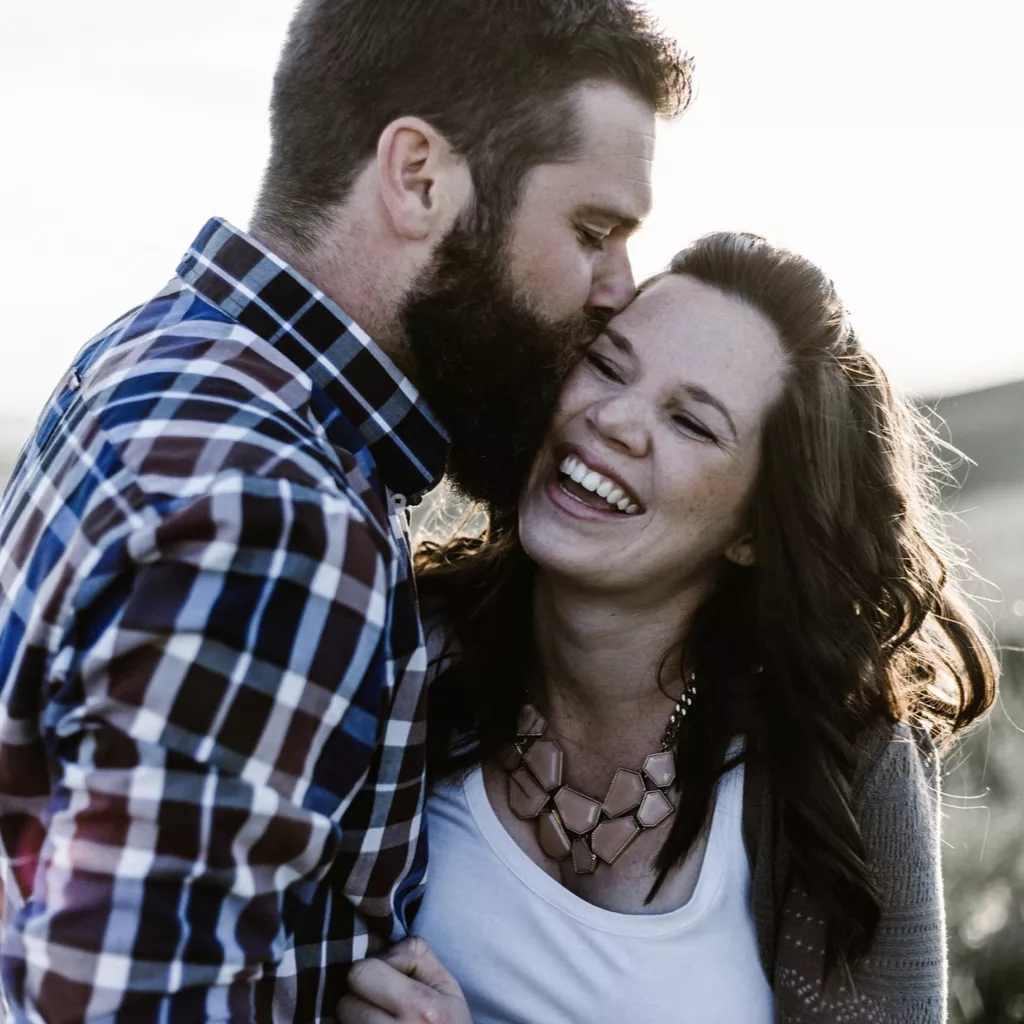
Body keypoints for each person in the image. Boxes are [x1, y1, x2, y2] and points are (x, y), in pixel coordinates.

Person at [0, 2, 690, 1019]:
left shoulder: (155, 355)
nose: (615, 286)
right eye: (592, 231)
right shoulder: (278, 518)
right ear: (418, 177)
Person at [339, 232, 998, 1023]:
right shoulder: (399, 642)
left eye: (691, 422)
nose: (614, 419)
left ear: (754, 530)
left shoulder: (840, 766)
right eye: (608, 365)